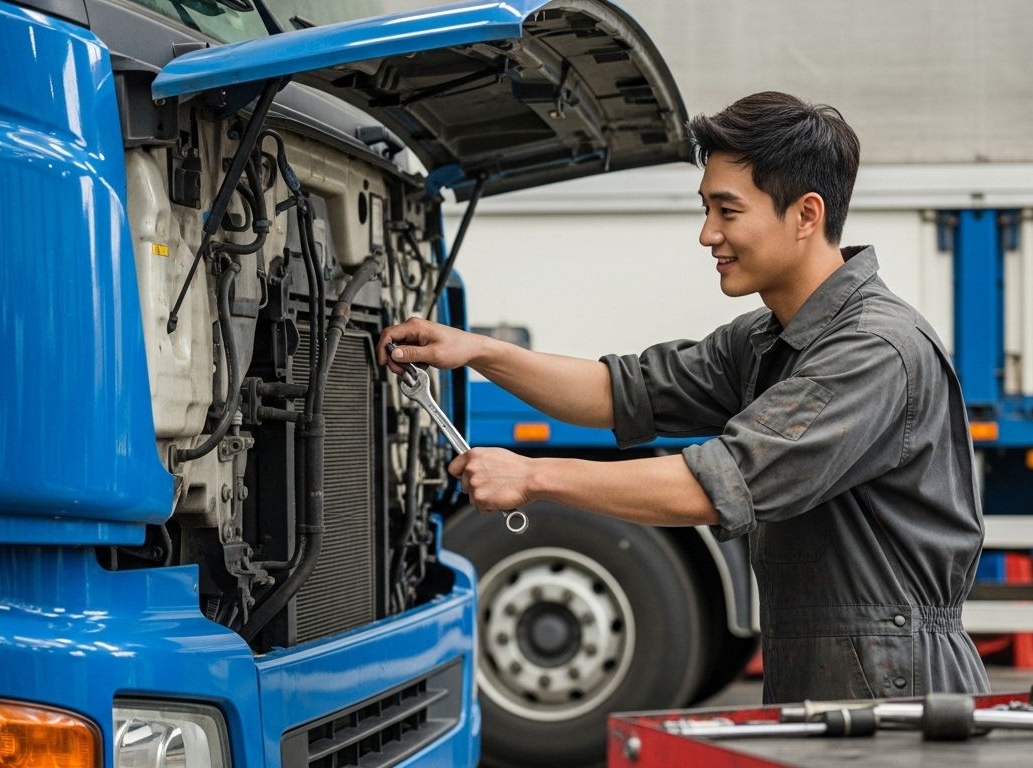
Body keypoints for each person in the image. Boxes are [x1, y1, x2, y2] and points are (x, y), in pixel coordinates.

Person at [379, 91, 990, 702]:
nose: (707, 235)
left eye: (728, 211)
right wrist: (480, 351)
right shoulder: (766, 339)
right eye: (706, 209)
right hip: (830, 672)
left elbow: (719, 484)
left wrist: (533, 476)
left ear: (806, 215)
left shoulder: (871, 351)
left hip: (899, 687)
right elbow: (621, 393)